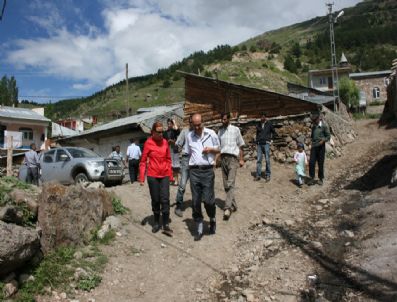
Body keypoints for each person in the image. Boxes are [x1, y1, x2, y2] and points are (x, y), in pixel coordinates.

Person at [185, 113, 220, 241]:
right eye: (195, 126)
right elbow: (188, 154)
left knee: (208, 200)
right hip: (194, 171)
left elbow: (220, 149)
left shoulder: (211, 134)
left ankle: (212, 218)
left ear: (202, 122)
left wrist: (210, 150)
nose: (197, 128)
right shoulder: (189, 136)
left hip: (207, 171)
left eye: (199, 125)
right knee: (195, 201)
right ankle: (199, 227)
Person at [139, 121, 173, 237]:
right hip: (152, 176)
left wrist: (171, 175)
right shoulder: (148, 143)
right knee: (156, 200)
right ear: (153, 132)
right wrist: (142, 178)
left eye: (162, 131)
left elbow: (168, 159)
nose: (161, 134)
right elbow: (143, 161)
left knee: (165, 199)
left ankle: (166, 224)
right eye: (158, 132)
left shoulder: (165, 143)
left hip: (164, 175)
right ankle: (157, 223)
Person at [217, 113, 245, 220]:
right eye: (222, 119)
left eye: (225, 119)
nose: (223, 121)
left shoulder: (235, 130)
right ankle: (234, 205)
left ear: (229, 119)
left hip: (233, 159)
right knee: (226, 185)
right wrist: (216, 160)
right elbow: (218, 147)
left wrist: (241, 159)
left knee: (230, 183)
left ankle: (227, 208)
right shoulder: (220, 131)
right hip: (223, 158)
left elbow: (241, 145)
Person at [174, 116, 193, 217]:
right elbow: (177, 144)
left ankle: (196, 204)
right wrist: (180, 150)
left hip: (196, 160)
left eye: (193, 122)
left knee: (196, 184)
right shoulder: (185, 132)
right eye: (190, 122)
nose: (192, 124)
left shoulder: (199, 132)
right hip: (186, 160)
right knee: (182, 184)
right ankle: (178, 205)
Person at [309, 112, 331, 186]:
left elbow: (328, 136)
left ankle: (321, 179)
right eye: (313, 121)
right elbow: (312, 136)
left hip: (321, 147)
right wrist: (311, 142)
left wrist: (323, 140)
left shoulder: (324, 126)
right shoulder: (314, 127)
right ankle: (312, 177)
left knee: (320, 163)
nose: (314, 122)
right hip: (314, 146)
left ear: (318, 119)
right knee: (311, 162)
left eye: (315, 120)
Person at [255, 112, 276, 182]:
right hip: (259, 144)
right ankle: (258, 175)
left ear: (265, 117)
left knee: (267, 160)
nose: (262, 118)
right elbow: (257, 134)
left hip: (266, 143)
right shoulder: (258, 124)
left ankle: (268, 175)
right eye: (261, 117)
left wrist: (271, 140)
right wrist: (256, 141)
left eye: (263, 117)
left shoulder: (269, 124)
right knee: (258, 160)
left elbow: (274, 132)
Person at [163, 118, 180, 186]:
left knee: (175, 166)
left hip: (174, 149)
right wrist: (168, 142)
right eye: (168, 124)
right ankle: (171, 179)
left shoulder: (174, 131)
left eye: (170, 124)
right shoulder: (165, 132)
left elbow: (178, 131)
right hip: (168, 150)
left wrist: (174, 122)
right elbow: (163, 142)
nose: (169, 125)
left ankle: (176, 180)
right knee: (169, 166)